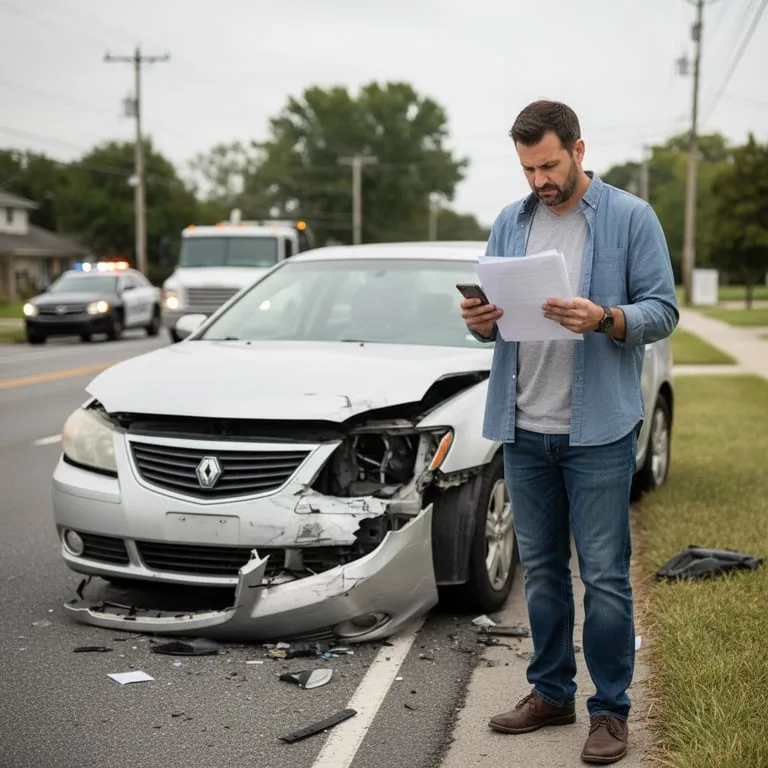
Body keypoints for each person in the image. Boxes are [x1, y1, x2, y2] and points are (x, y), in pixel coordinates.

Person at [460, 100, 678, 765]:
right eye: (528, 168)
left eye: (549, 164)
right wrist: (479, 321)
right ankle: (550, 691)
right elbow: (493, 325)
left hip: (599, 432)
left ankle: (609, 712)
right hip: (525, 427)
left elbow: (662, 310)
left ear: (578, 150)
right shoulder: (509, 222)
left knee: (606, 577)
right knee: (545, 576)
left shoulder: (631, 218)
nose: (539, 180)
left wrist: (605, 316)